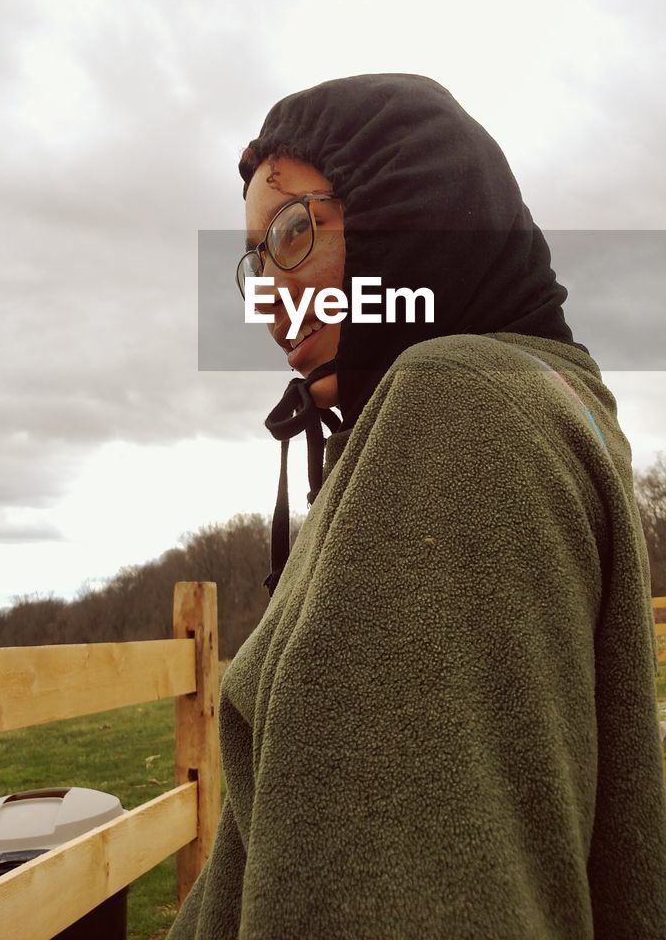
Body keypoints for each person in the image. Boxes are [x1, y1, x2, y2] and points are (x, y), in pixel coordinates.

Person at [169, 72, 666, 939]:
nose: (264, 298)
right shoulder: (548, 402)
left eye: (292, 233)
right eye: (254, 259)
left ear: (415, 214)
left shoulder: (457, 408)